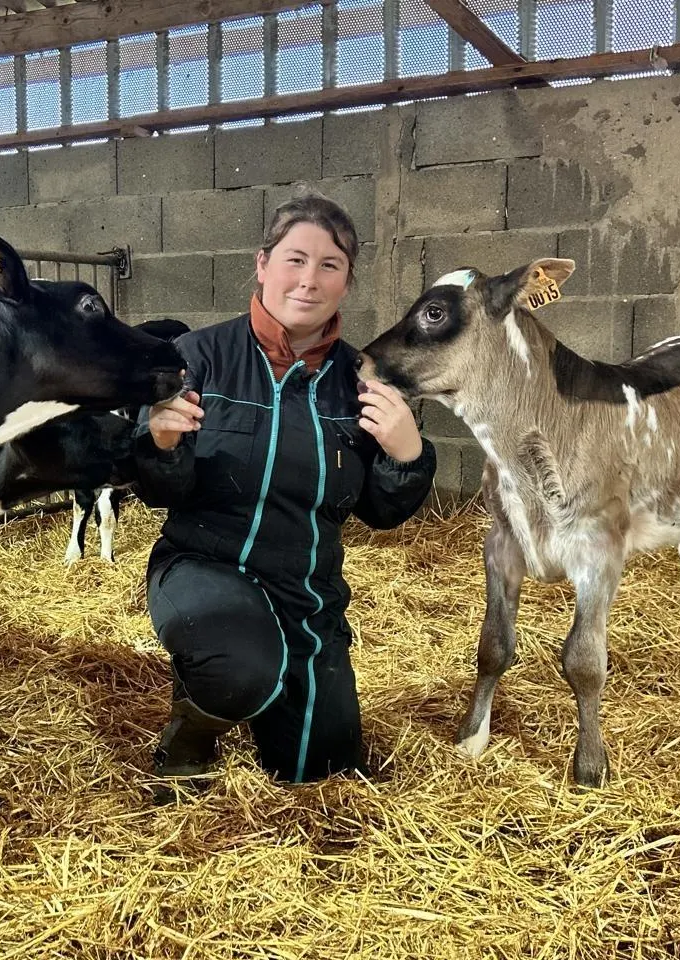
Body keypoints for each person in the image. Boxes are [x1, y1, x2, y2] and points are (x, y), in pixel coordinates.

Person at [132, 192, 437, 790]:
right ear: (263, 264)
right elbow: (158, 490)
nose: (309, 279)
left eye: (330, 265)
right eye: (295, 259)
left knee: (323, 769)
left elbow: (381, 512)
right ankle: (194, 726)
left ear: (347, 281)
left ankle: (268, 690)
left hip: (307, 594)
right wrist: (160, 441)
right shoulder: (200, 357)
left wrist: (408, 455)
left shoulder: (358, 381)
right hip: (202, 567)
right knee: (240, 669)